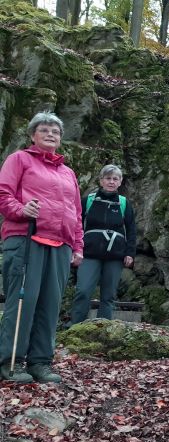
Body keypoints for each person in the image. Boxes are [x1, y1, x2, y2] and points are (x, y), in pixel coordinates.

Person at [0, 112, 83, 383]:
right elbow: (3, 194)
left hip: (60, 244)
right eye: (44, 130)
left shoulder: (68, 172)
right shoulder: (19, 159)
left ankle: (40, 362)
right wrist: (22, 210)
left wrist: (77, 246)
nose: (51, 134)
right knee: (24, 301)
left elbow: (76, 212)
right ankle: (11, 362)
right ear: (33, 135)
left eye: (56, 131)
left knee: (50, 304)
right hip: (26, 239)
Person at [68, 164, 136, 325]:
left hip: (115, 256)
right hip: (89, 254)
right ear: (101, 180)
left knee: (109, 295)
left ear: (120, 182)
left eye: (115, 179)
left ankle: (103, 330)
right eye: (108, 178)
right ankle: (76, 326)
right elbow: (76, 224)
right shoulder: (89, 201)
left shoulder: (124, 203)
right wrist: (75, 248)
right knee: (83, 291)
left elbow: (132, 229)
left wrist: (130, 253)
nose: (111, 182)